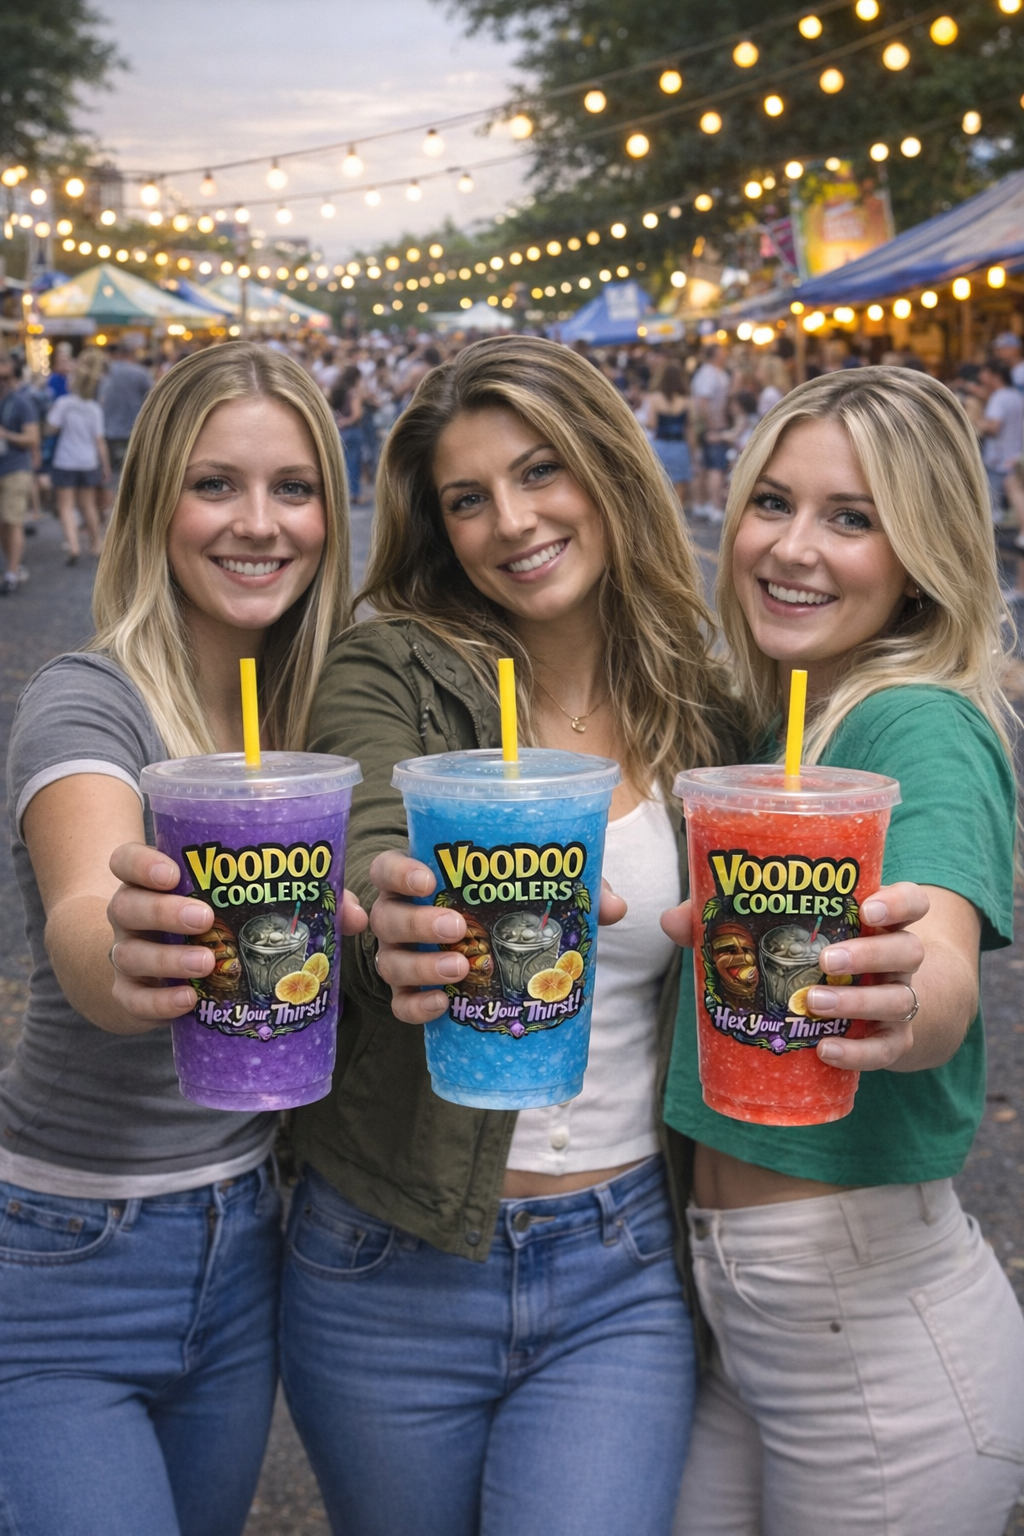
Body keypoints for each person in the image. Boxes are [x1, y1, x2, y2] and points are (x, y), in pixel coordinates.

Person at [277, 335, 920, 1536]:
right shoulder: (389, 665)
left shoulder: (701, 707)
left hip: (619, 1261)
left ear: (606, 468)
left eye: (540, 472)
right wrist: (393, 923)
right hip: (389, 1257)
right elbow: (366, 852)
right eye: (467, 499)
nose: (511, 522)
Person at [0, 341, 365, 1536]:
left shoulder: (324, 713)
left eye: (293, 488)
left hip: (249, 1241)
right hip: (68, 1252)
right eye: (215, 485)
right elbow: (83, 914)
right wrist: (129, 951)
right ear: (154, 502)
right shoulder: (88, 697)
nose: (258, 523)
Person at [663, 367, 1024, 1536]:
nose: (792, 546)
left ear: (918, 554)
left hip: (877, 1352)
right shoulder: (778, 724)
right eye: (772, 503)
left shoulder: (917, 720)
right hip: (748, 1323)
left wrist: (903, 997)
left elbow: (939, 960)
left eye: (851, 517)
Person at [46, 349, 110, 563]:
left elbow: (51, 428)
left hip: (65, 460)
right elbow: (99, 441)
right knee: (88, 504)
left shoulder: (64, 403)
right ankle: (96, 543)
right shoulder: (94, 409)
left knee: (66, 505)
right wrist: (105, 466)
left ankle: (73, 546)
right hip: (88, 461)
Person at [0, 355, 41, 594]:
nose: (3, 381)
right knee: (3, 523)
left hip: (16, 469)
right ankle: (13, 566)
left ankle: (12, 572)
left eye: (6, 377)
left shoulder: (21, 403)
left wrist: (7, 435)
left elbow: (32, 438)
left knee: (13, 521)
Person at [978, 359, 1024, 528]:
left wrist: (977, 422)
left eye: (985, 373)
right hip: (1014, 456)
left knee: (993, 511)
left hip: (997, 458)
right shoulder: (1016, 396)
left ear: (996, 376)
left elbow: (994, 427)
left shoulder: (998, 397)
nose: (981, 377)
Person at [98, 340, 152, 479]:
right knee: (133, 475)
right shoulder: (141, 373)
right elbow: (153, 398)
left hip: (107, 429)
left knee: (110, 475)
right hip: (134, 429)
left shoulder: (105, 373)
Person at [691, 344, 731, 523]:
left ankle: (705, 503)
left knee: (708, 466)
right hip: (713, 427)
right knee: (716, 467)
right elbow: (703, 401)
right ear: (714, 355)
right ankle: (715, 507)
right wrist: (711, 426)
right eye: (722, 352)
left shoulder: (711, 372)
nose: (724, 355)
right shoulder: (709, 374)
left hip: (712, 425)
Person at [643, 362, 691, 508]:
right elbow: (689, 427)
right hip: (680, 445)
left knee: (660, 484)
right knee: (680, 485)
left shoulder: (654, 398)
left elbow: (652, 424)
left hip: (661, 445)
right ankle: (679, 517)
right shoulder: (686, 400)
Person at [330, 364, 365, 504]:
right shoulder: (353, 393)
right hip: (352, 430)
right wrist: (347, 421)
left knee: (342, 463)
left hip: (341, 432)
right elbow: (357, 414)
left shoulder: (339, 390)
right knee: (354, 464)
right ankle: (354, 494)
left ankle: (343, 493)